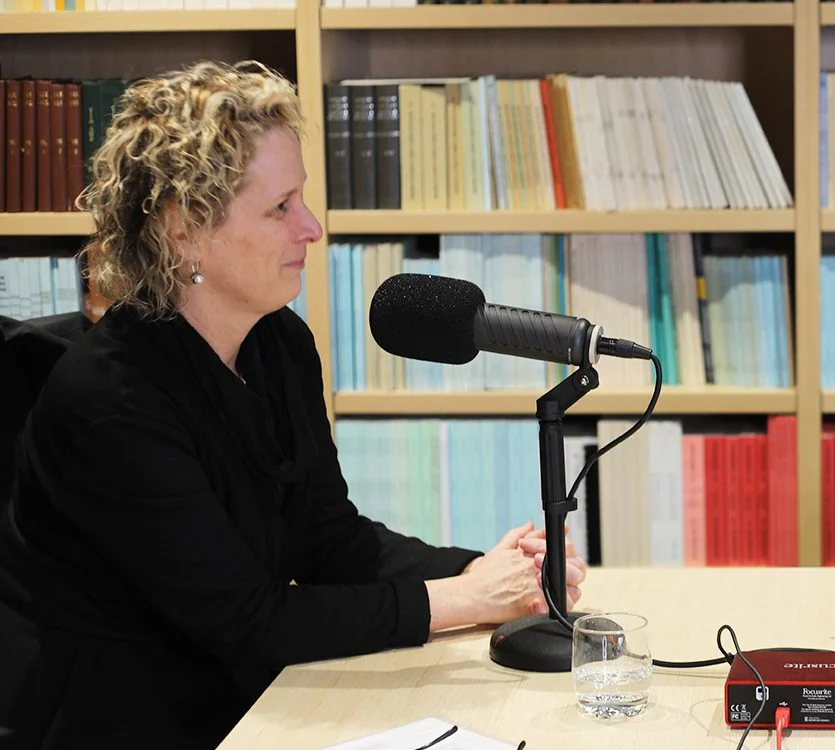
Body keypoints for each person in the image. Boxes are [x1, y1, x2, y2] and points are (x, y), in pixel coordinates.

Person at [0, 60, 587, 749]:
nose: (311, 227)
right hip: (119, 720)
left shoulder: (277, 341)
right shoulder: (108, 399)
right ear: (183, 230)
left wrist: (479, 570)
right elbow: (249, 621)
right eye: (280, 208)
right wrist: (467, 598)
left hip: (243, 696)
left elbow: (328, 538)